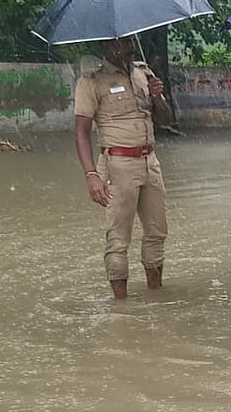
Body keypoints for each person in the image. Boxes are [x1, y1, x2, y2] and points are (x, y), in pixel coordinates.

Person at [73, 37, 174, 299]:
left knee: (157, 231)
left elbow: (165, 118)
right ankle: (121, 304)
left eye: (129, 42)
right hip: (117, 163)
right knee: (118, 238)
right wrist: (91, 174)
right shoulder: (91, 82)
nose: (126, 48)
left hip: (150, 161)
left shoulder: (144, 73)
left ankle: (156, 294)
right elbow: (81, 133)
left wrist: (158, 96)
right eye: (119, 44)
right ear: (105, 46)